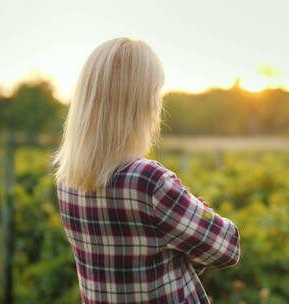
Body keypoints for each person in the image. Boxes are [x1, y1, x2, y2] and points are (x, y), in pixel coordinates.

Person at [51, 37, 241, 304]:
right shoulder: (148, 181)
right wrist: (197, 212)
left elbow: (143, 269)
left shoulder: (67, 181)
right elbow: (227, 249)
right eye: (155, 92)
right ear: (139, 104)